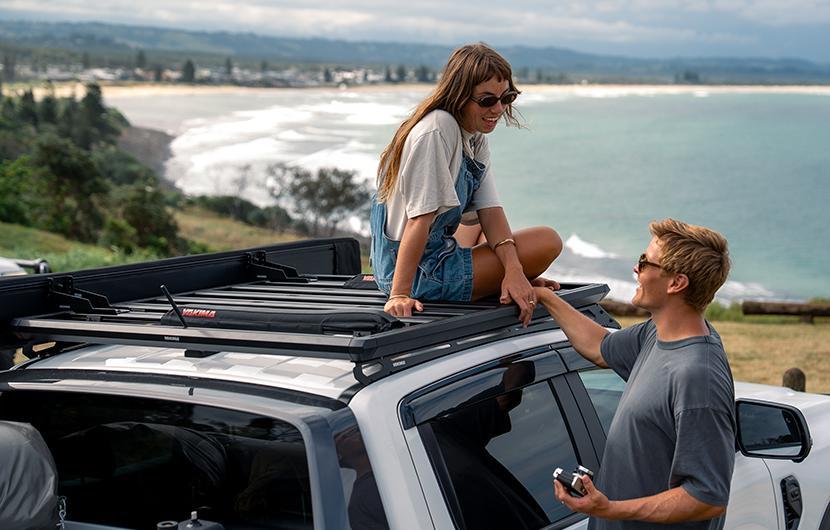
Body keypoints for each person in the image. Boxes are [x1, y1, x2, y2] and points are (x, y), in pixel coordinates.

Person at [535, 219, 735, 529]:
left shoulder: (697, 377)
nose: (635, 270)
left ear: (676, 283)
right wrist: (546, 297)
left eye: (644, 262)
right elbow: (600, 345)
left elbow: (707, 496)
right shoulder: (656, 334)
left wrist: (612, 509)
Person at [370, 43, 562, 326]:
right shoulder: (438, 129)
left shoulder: (473, 136)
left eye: (506, 97)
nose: (498, 108)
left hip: (430, 253)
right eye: (487, 101)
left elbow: (490, 211)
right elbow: (418, 220)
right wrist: (399, 294)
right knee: (548, 240)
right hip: (416, 272)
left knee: (483, 232)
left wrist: (516, 271)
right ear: (459, 96)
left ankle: (507, 277)